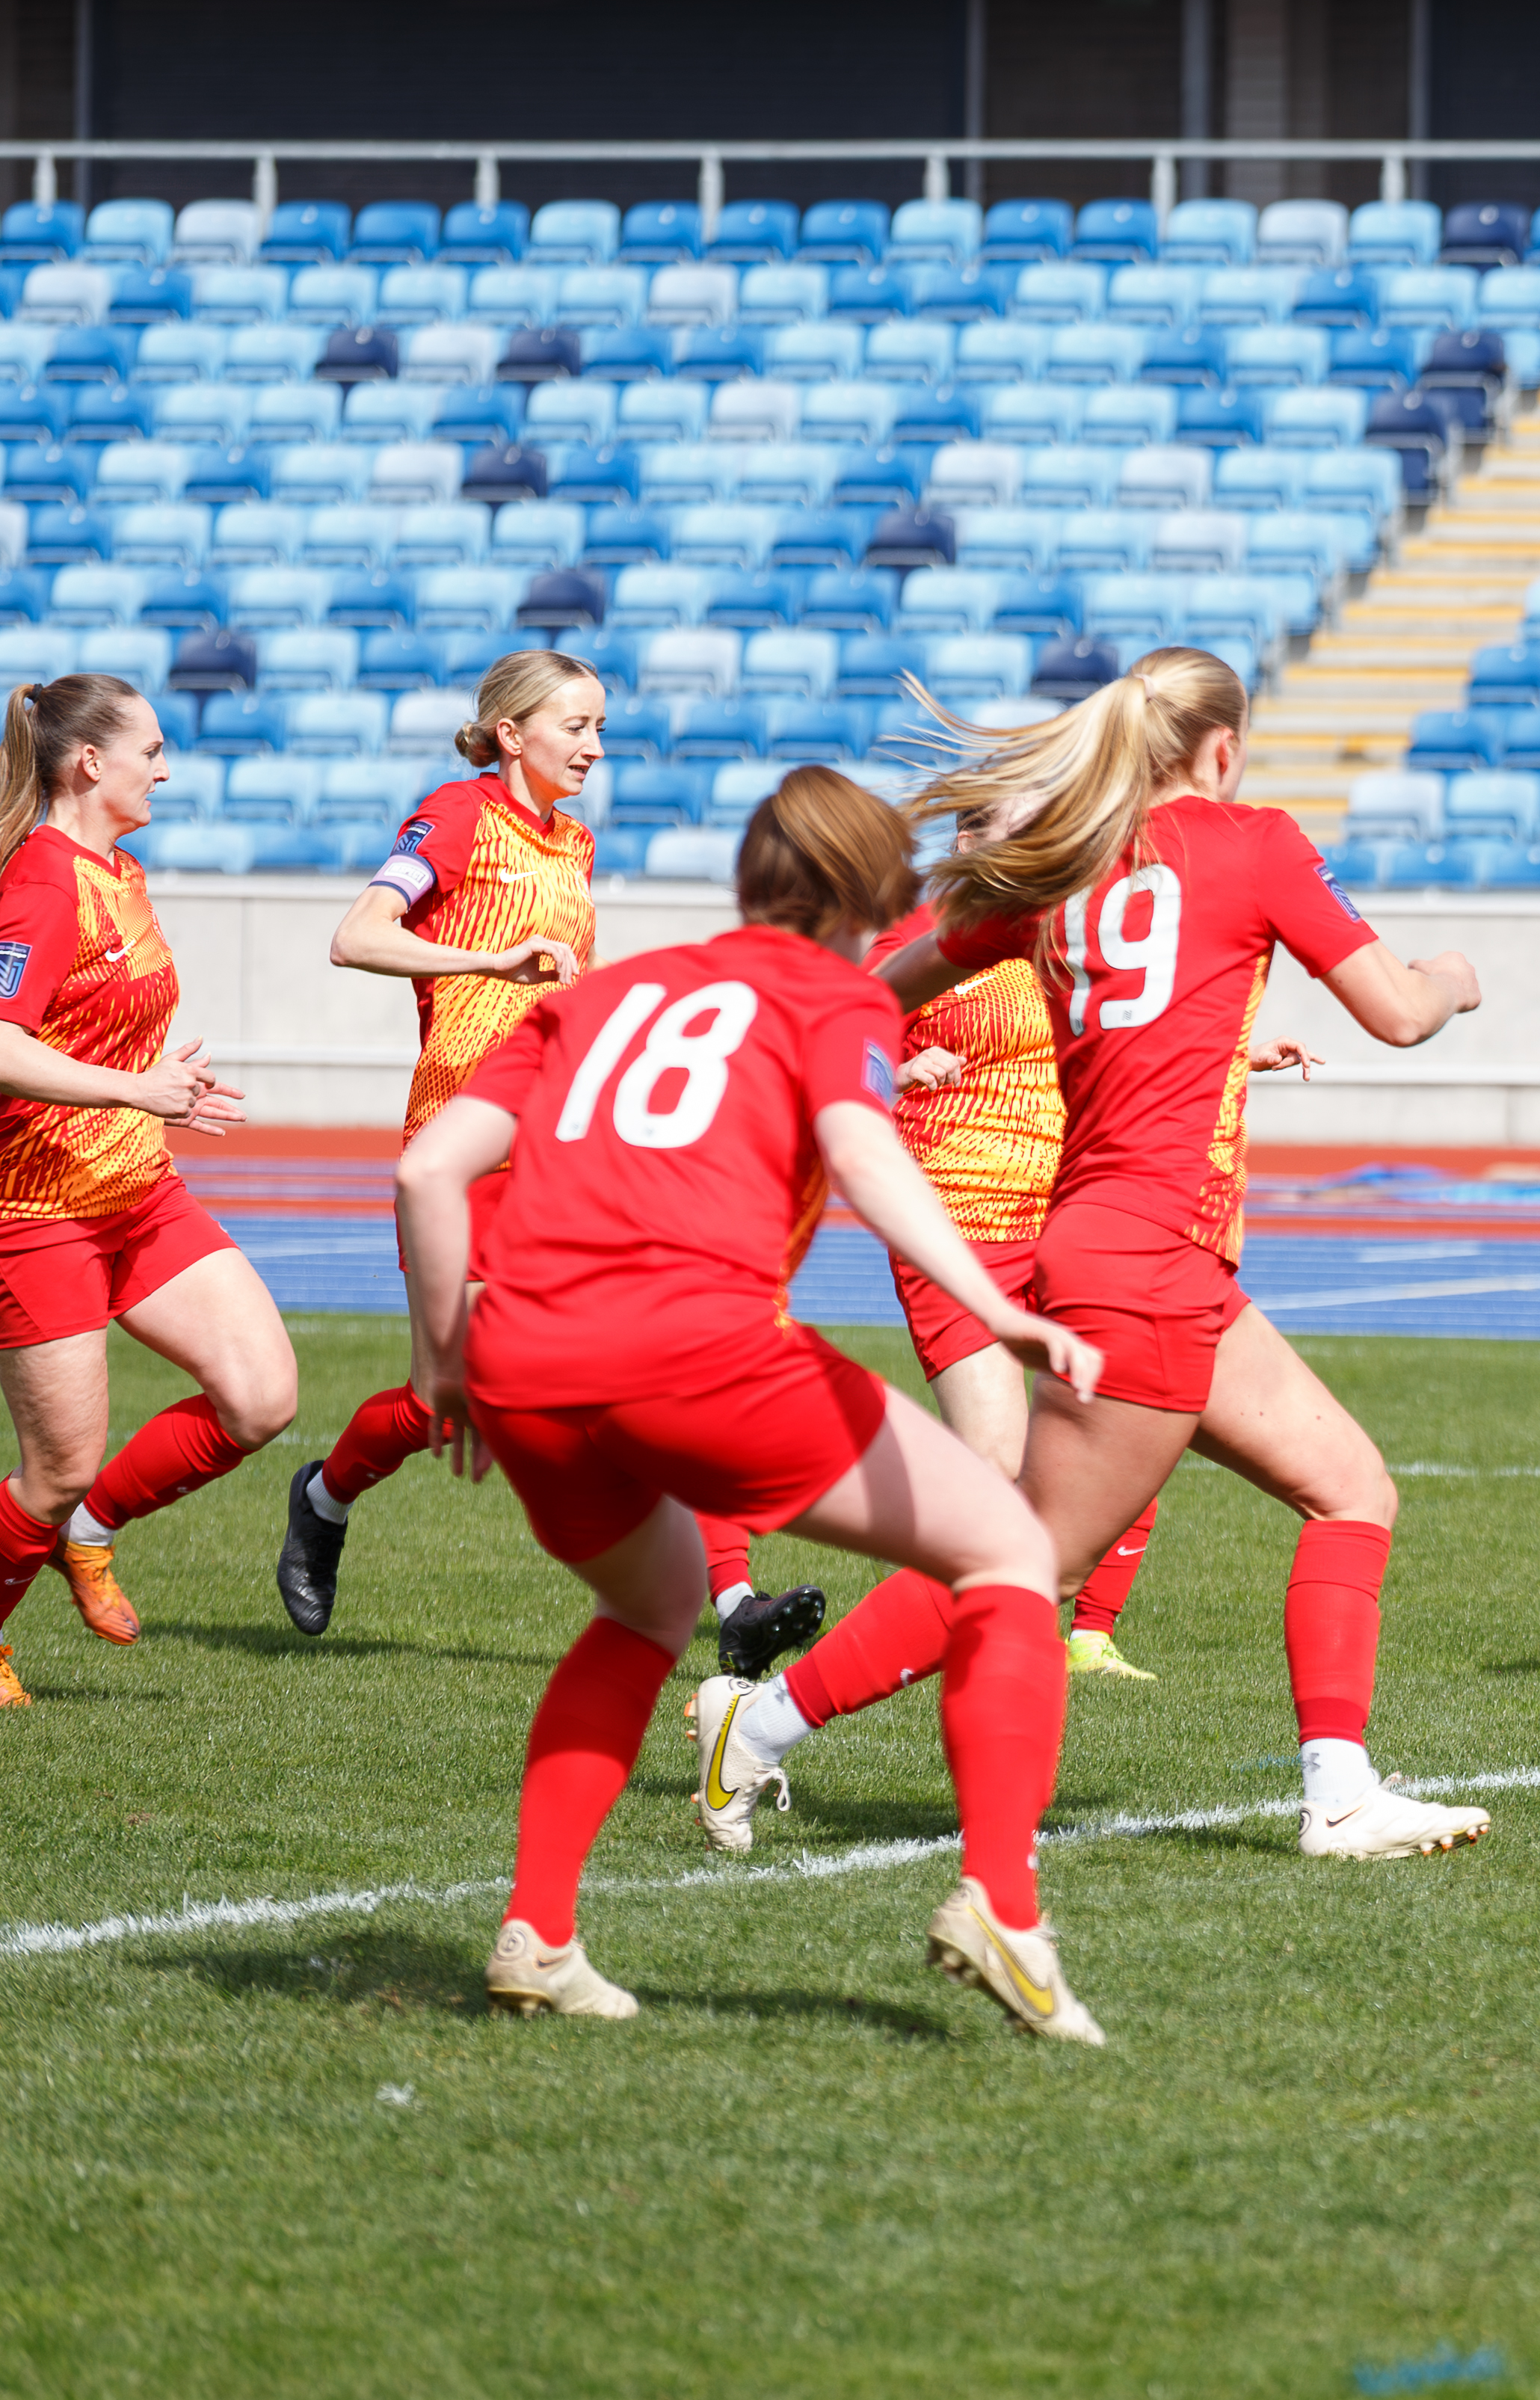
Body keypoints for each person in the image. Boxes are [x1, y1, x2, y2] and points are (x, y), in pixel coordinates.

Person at [688, 650, 1496, 1862]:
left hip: (1124, 1243)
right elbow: (1393, 1010)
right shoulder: (1254, 838)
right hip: (1150, 1253)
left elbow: (888, 980)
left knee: (1351, 1488)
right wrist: (1450, 981)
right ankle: (762, 1719)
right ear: (1218, 751)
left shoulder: (1060, 869)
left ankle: (1339, 1788)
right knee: (1028, 1555)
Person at [401, 766, 1109, 2037]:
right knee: (1007, 1546)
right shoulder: (836, 991)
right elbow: (859, 1143)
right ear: (871, 893)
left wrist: (441, 1353)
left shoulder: (613, 989)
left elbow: (429, 1166)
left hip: (521, 1356)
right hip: (692, 1347)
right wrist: (994, 1302)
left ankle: (539, 1928)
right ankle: (1001, 1900)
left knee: (651, 1603)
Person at [277, 652, 826, 1675]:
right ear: (511, 731)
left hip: (563, 1148)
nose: (597, 747)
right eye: (576, 725)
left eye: (601, 726)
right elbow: (358, 937)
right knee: (452, 1399)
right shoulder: (455, 815)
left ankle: (738, 1600)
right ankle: (323, 1496)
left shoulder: (573, 842)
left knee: (668, 1352)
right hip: (461, 1149)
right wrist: (485, 959)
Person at [0, 676, 302, 1696]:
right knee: (54, 1470)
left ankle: (93, 1532)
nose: (167, 769)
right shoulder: (42, 880)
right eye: (153, 750)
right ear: (92, 764)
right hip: (37, 1210)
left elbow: (83, 1026)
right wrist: (139, 1087)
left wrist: (162, 1075)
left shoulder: (121, 871)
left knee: (262, 1398)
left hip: (137, 1189)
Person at [869, 801, 1162, 1683]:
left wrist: (1243, 1054)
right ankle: (822, 1684)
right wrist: (895, 1061)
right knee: (1001, 1471)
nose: (989, 843)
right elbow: (843, 1032)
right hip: (955, 1220)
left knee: (1134, 1410)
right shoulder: (916, 933)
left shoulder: (1063, 933)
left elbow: (1119, 1038)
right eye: (983, 827)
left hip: (1063, 1215)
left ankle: (1088, 1636)